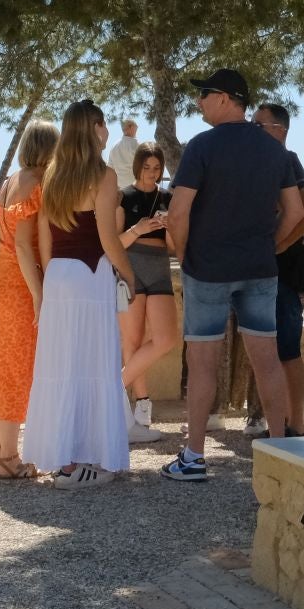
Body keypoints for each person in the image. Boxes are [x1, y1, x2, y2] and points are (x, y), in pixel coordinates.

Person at [163, 69, 304, 481]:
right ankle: (278, 453)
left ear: (226, 98)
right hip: (259, 268)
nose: (199, 102)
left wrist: (184, 251)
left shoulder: (201, 147)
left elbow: (177, 211)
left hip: (207, 269)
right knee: (268, 360)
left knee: (203, 361)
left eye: (205, 95)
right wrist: (272, 246)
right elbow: (295, 212)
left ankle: (193, 457)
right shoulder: (274, 151)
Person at [22, 101, 137, 490]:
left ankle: (65, 458)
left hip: (59, 277)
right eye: (101, 124)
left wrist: (49, 282)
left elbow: (43, 237)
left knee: (61, 365)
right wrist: (129, 274)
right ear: (92, 129)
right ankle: (86, 459)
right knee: (93, 363)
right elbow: (107, 237)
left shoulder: (52, 176)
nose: (106, 130)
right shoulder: (102, 176)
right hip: (90, 276)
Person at [0, 120, 59, 480]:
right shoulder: (37, 183)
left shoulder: (12, 179)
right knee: (12, 367)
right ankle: (10, 458)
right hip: (18, 284)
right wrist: (40, 295)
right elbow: (26, 246)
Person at [255, 103, 304, 439]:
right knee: (269, 349)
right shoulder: (264, 163)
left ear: (278, 130)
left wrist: (283, 243)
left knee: (287, 349)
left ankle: (295, 424)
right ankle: (277, 422)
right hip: (265, 267)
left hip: (285, 270)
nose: (252, 131)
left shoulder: (288, 159)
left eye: (259, 125)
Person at [117, 141, 177, 443]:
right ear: (137, 165)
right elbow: (115, 243)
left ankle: (114, 388)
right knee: (133, 339)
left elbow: (173, 248)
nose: (152, 173)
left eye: (157, 168)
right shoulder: (123, 196)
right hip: (130, 265)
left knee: (166, 338)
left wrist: (170, 228)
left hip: (159, 267)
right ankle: (141, 409)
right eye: (147, 167)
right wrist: (138, 230)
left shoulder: (168, 197)